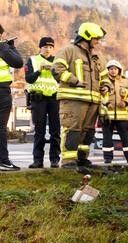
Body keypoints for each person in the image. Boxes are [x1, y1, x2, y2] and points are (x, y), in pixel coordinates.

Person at [52, 22, 106, 171]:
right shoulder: (68, 51)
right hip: (73, 99)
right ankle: (69, 161)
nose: (98, 42)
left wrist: (106, 86)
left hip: (93, 101)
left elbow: (105, 76)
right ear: (87, 37)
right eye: (96, 38)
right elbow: (57, 69)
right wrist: (74, 81)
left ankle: (82, 159)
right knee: (73, 129)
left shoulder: (98, 57)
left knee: (88, 131)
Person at [24, 37, 61, 168]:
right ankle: (38, 160)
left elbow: (62, 79)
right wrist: (39, 71)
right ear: (40, 47)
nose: (48, 49)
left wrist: (54, 71)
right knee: (39, 131)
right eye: (45, 47)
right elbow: (28, 79)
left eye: (51, 47)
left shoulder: (58, 61)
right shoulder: (33, 60)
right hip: (38, 99)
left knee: (55, 130)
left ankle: (54, 159)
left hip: (54, 99)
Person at [99, 59, 128, 167]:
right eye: (111, 69)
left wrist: (126, 102)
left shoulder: (125, 82)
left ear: (119, 70)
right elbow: (100, 96)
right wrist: (107, 104)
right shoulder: (102, 81)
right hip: (107, 116)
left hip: (122, 116)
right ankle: (107, 160)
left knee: (126, 139)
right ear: (108, 70)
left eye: (115, 69)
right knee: (107, 139)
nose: (113, 71)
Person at [0, 33, 24, 171]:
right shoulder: (2, 47)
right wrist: (11, 48)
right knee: (1, 127)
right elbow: (18, 63)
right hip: (1, 90)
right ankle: (3, 161)